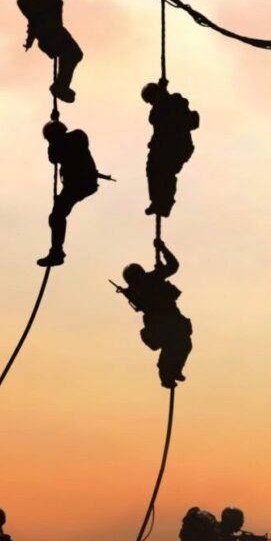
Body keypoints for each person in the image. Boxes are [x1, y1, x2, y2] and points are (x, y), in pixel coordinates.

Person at [116, 239, 193, 388]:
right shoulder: (141, 286)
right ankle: (167, 374)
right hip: (160, 323)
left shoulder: (151, 279)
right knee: (171, 345)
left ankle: (173, 370)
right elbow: (172, 266)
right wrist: (162, 250)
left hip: (171, 318)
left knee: (184, 344)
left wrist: (163, 249)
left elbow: (173, 266)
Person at [40, 117, 104, 268]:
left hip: (80, 183)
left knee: (57, 216)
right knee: (56, 216)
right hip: (78, 185)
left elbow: (57, 155)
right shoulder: (70, 140)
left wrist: (54, 137)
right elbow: (54, 159)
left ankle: (56, 252)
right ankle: (56, 251)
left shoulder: (76, 137)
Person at [17, 0, 81, 104]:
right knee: (74, 54)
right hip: (55, 33)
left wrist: (30, 40)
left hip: (45, 38)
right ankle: (60, 85)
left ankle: (61, 85)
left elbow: (33, 20)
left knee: (70, 55)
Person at [142, 80, 202, 217]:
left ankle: (164, 203)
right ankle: (157, 201)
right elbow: (155, 119)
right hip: (165, 148)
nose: (152, 103)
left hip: (176, 147)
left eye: (152, 100)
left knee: (166, 172)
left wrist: (163, 92)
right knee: (153, 170)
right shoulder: (158, 110)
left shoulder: (175, 102)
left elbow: (187, 120)